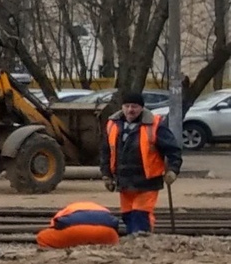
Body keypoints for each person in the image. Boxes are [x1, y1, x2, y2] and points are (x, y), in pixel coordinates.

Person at [102, 96, 182, 237]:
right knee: (128, 216)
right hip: (124, 180)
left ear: (142, 107)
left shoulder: (155, 125)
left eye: (134, 106)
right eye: (127, 106)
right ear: (122, 107)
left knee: (140, 215)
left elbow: (173, 150)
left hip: (148, 181)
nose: (130, 110)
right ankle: (134, 243)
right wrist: (106, 174)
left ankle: (142, 241)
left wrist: (173, 170)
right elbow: (106, 151)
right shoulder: (112, 125)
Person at [36, 200, 123, 248]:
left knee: (42, 237)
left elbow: (57, 224)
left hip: (74, 230)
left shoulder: (66, 211)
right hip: (105, 231)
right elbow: (114, 224)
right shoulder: (102, 209)